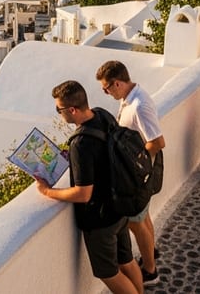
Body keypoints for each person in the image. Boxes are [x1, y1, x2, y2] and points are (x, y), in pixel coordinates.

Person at [37, 81, 143, 294]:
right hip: (119, 206)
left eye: (59, 109)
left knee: (108, 273)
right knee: (127, 261)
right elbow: (103, 155)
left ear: (72, 110)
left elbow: (83, 194)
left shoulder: (81, 143)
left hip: (101, 219)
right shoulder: (102, 115)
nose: (59, 113)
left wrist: (47, 191)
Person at [97, 61, 165, 285]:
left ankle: (150, 271)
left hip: (138, 174)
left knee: (135, 223)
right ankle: (149, 256)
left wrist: (134, 165)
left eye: (106, 88)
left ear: (117, 83)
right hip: (140, 171)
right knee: (143, 217)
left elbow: (157, 141)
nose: (104, 92)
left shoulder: (138, 105)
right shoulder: (131, 98)